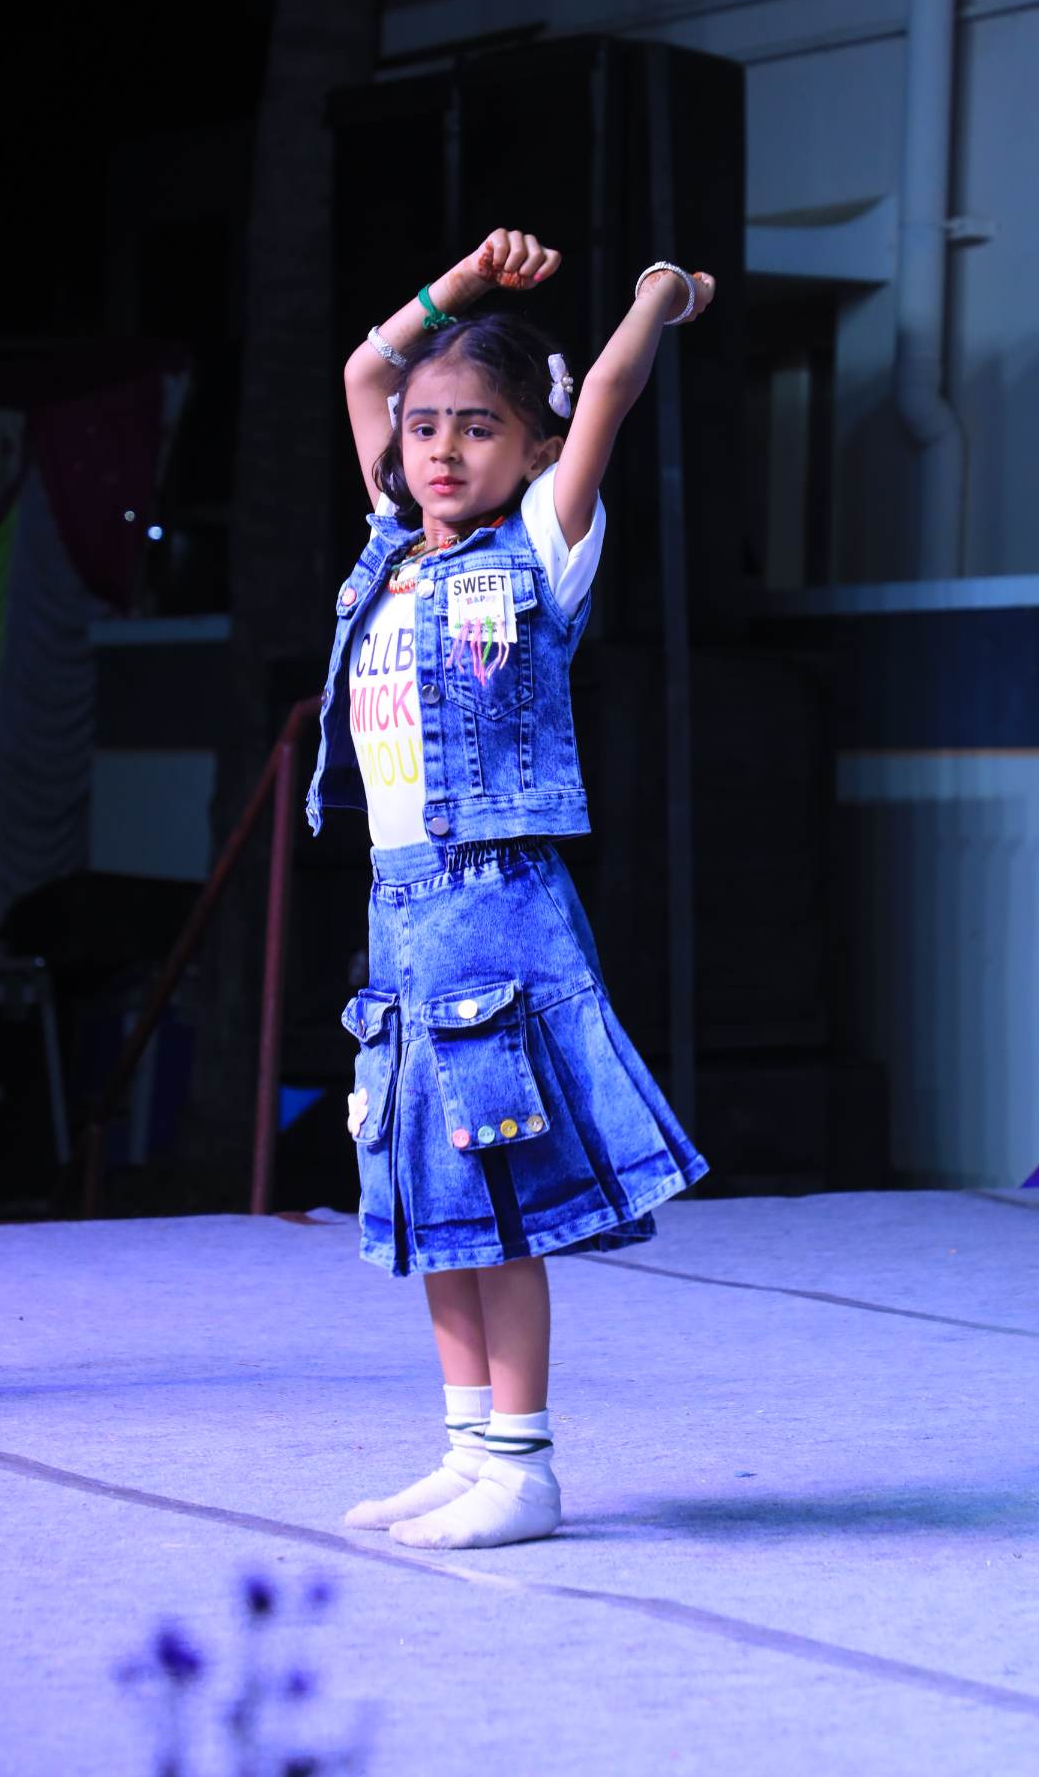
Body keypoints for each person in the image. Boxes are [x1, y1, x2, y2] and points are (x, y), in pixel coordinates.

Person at [305, 229, 715, 1549]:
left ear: (531, 448)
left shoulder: (539, 547)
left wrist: (659, 297)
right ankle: (466, 1450)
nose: (440, 450)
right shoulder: (390, 549)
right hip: (400, 910)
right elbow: (365, 367)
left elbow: (605, 395)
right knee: (430, 1195)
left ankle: (524, 1468)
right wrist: (464, 283)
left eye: (477, 428)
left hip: (497, 907)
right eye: (425, 428)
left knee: (502, 1199)